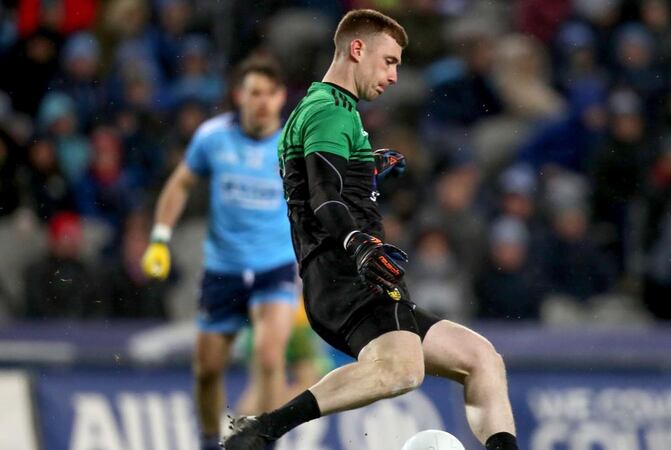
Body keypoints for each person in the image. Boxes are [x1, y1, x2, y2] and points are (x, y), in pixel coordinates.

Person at [223, 9, 518, 450]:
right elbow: (325, 195)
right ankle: (267, 428)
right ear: (357, 50)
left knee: (480, 359)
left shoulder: (321, 109)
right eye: (390, 61)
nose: (394, 76)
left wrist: (366, 169)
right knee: (403, 369)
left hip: (338, 274)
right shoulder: (331, 111)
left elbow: (310, 183)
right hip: (349, 274)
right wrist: (358, 242)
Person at [140, 57, 298, 450]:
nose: (261, 101)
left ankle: (266, 441)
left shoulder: (292, 144)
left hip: (274, 267)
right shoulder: (213, 137)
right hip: (223, 269)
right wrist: (159, 238)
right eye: (253, 93)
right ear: (238, 96)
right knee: (208, 371)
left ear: (281, 98)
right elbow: (179, 185)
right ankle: (209, 443)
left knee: (268, 356)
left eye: (269, 93)